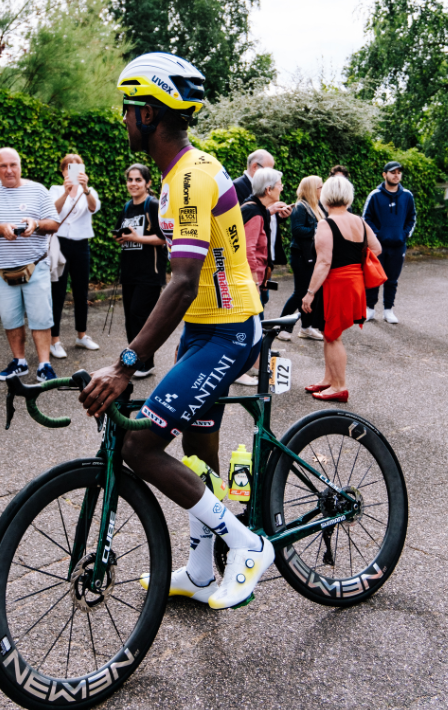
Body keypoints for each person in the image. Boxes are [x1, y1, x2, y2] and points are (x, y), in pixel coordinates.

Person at [81, 52, 271, 611]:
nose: (123, 117)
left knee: (141, 445)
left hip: (229, 331)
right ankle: (198, 569)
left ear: (150, 115)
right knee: (195, 451)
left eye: (128, 107)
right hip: (204, 329)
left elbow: (184, 281)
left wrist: (126, 363)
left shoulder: (188, 180)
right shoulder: (180, 173)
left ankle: (247, 545)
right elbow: (184, 274)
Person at [0, 147, 61, 382]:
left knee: (41, 318)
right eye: (3, 166)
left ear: (21, 166)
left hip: (36, 265)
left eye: (13, 165)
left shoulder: (38, 190)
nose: (9, 170)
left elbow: (54, 223)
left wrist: (36, 224)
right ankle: (19, 362)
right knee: (10, 318)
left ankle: (44, 365)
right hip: (2, 268)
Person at [299, 176, 383, 402]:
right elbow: (377, 248)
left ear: (325, 196)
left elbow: (324, 262)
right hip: (354, 283)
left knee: (333, 335)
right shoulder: (359, 221)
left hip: (337, 284)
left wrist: (309, 293)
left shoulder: (327, 223)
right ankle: (329, 379)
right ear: (348, 195)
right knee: (329, 334)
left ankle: (339, 385)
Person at [232, 167, 288, 389]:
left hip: (250, 281)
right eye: (279, 184)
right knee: (246, 328)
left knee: (253, 326)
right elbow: (248, 252)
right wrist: (254, 285)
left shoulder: (255, 208)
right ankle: (240, 370)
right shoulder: (254, 213)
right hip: (248, 283)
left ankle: (251, 364)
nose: (282, 187)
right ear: (268, 189)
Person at [114, 163, 168, 377]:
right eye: (130, 180)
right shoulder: (127, 207)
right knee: (130, 318)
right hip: (129, 272)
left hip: (150, 274)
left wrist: (136, 238)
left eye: (138, 180)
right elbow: (123, 236)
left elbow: (163, 238)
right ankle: (133, 360)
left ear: (148, 183)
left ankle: (146, 363)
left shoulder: (153, 205)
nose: (133, 184)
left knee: (142, 317)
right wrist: (121, 238)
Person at [48, 153, 102, 358]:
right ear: (63, 171)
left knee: (81, 292)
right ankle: (55, 341)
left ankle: (82, 336)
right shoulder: (54, 190)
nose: (73, 171)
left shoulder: (90, 191)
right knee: (57, 293)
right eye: (69, 167)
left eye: (78, 168)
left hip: (81, 245)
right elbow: (52, 212)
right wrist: (66, 191)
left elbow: (93, 207)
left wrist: (85, 189)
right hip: (59, 244)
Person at [362, 161, 417, 324]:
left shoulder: (407, 195)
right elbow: (366, 219)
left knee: (392, 279)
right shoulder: (375, 195)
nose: (396, 175)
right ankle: (369, 308)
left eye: (399, 172)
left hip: (398, 245)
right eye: (393, 172)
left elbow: (412, 218)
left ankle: (388, 310)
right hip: (378, 246)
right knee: (373, 277)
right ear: (384, 174)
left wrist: (404, 234)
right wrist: (376, 236)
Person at [282, 176, 326, 341]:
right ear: (312, 190)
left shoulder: (315, 207)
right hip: (301, 256)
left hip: (311, 256)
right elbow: (297, 230)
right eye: (320, 187)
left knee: (312, 292)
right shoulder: (300, 207)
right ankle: (282, 328)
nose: (322, 190)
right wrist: (317, 229)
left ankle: (306, 328)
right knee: (300, 293)